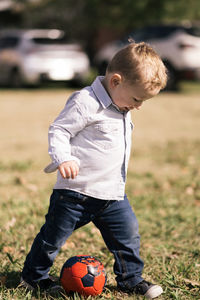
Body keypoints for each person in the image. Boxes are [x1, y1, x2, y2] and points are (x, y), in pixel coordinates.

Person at [20, 41, 167, 299]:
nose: (139, 106)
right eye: (137, 99)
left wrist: (131, 101)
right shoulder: (86, 101)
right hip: (76, 193)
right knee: (52, 239)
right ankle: (34, 277)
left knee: (127, 236)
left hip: (111, 194)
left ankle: (130, 279)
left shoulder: (121, 102)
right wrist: (63, 158)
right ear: (116, 81)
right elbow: (60, 129)